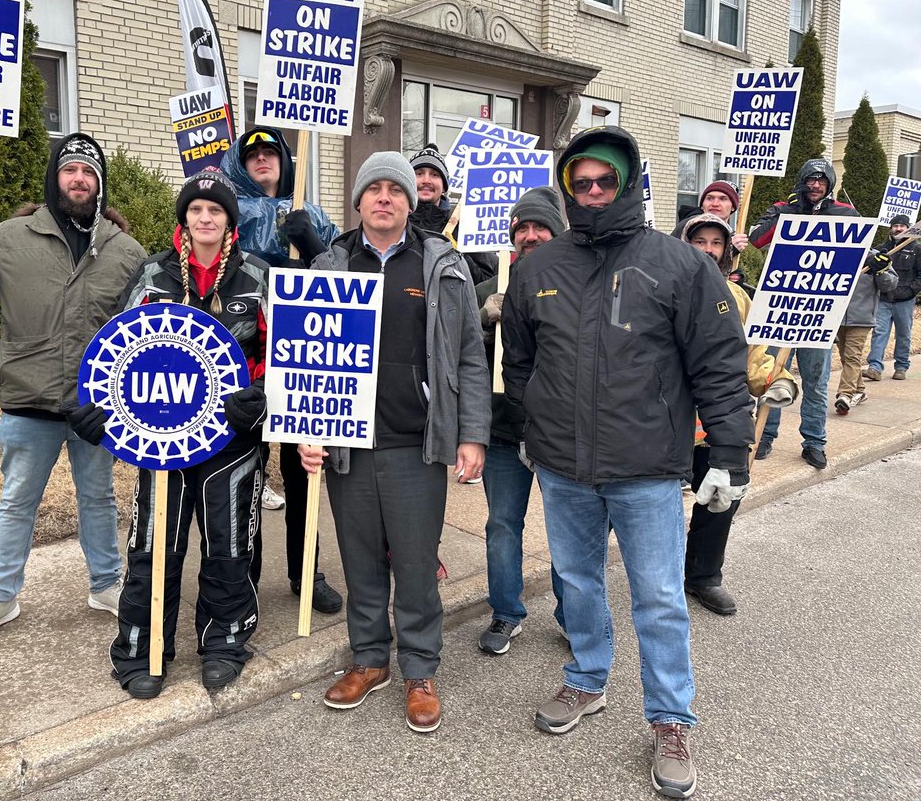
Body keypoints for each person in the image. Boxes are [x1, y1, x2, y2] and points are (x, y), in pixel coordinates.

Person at [502, 126, 754, 798]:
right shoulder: (536, 269)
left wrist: (729, 451)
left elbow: (720, 367)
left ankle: (671, 718)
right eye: (579, 183)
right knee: (578, 583)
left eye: (603, 182)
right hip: (563, 470)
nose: (590, 193)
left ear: (629, 184)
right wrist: (534, 426)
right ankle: (588, 680)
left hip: (646, 467)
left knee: (661, 598)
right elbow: (520, 362)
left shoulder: (681, 266)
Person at [299, 152, 491, 734]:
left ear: (412, 201)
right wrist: (303, 432)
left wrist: (473, 434)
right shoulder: (328, 265)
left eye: (395, 189)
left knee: (413, 563)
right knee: (359, 561)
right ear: (358, 202)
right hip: (345, 443)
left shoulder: (443, 266)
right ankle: (369, 659)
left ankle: (419, 668)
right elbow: (301, 360)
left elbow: (468, 356)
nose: (384, 198)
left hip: (416, 442)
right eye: (373, 189)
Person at [0, 133, 147, 646]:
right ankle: (0, 596)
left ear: (100, 184)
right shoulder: (11, 237)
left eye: (89, 172)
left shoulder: (126, 251)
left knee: (98, 499)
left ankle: (105, 584)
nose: (79, 179)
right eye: (70, 169)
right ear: (55, 178)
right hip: (28, 398)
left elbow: (143, 331)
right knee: (16, 502)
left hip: (96, 405)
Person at [68, 168, 270, 699]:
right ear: (185, 217)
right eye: (196, 210)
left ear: (230, 220)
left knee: (230, 545)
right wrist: (96, 408)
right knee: (154, 544)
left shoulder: (256, 276)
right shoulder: (153, 274)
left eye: (216, 210)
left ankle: (225, 640)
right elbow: (118, 350)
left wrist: (263, 397)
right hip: (162, 438)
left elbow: (285, 359)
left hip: (232, 438)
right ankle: (143, 646)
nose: (205, 218)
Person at [219, 126, 343, 614]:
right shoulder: (229, 213)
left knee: (302, 471)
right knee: (243, 472)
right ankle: (243, 571)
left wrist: (312, 248)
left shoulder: (308, 212)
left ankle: (306, 569)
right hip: (245, 356)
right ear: (241, 165)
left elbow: (344, 277)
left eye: (272, 153)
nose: (264, 161)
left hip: (302, 354)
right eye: (254, 156)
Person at [678, 212, 798, 617]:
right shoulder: (659, 288)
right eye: (700, 242)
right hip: (660, 425)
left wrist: (775, 380)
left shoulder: (740, 299)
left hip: (715, 426)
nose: (709, 251)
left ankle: (703, 576)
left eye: (716, 243)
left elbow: (751, 357)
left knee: (721, 500)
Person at [474, 186, 566, 652]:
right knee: (502, 525)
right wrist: (480, 315)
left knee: (567, 530)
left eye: (540, 226)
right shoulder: (490, 287)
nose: (530, 235)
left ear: (557, 230)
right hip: (503, 432)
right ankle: (506, 612)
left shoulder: (577, 282)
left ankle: (573, 614)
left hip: (560, 434)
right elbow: (457, 347)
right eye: (521, 228)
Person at [749, 159, 857, 468]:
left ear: (830, 183)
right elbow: (756, 239)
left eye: (822, 180)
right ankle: (765, 435)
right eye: (810, 179)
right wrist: (788, 214)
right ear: (802, 181)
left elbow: (860, 252)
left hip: (818, 313)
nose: (815, 185)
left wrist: (875, 261)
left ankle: (814, 441)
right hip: (780, 309)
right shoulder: (783, 207)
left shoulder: (845, 214)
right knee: (772, 375)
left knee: (816, 382)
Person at [409, 143, 497, 283]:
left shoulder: (465, 227)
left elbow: (485, 280)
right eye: (419, 174)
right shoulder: (396, 224)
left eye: (435, 175)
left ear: (444, 186)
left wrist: (456, 254)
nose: (426, 180)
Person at [834, 249, 896, 413]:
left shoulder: (874, 256)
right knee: (844, 356)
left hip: (861, 317)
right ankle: (859, 390)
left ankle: (845, 394)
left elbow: (890, 284)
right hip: (836, 316)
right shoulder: (835, 252)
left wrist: (880, 271)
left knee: (852, 356)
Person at [866, 215, 921, 382]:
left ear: (908, 228)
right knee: (879, 332)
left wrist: (911, 291)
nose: (898, 229)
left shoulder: (916, 249)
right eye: (895, 225)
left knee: (903, 334)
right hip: (883, 299)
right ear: (890, 228)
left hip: (905, 300)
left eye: (902, 226)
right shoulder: (882, 248)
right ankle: (874, 367)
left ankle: (901, 367)